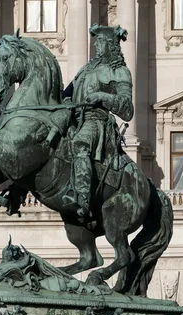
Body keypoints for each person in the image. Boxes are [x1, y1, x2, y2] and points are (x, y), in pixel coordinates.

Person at [62, 24, 134, 220]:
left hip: (96, 121)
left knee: (80, 144)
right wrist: (65, 101)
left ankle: (82, 199)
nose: (96, 45)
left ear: (111, 45)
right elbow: (66, 94)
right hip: (74, 117)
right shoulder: (85, 69)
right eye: (96, 41)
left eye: (100, 41)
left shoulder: (119, 71)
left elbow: (127, 109)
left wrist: (103, 96)